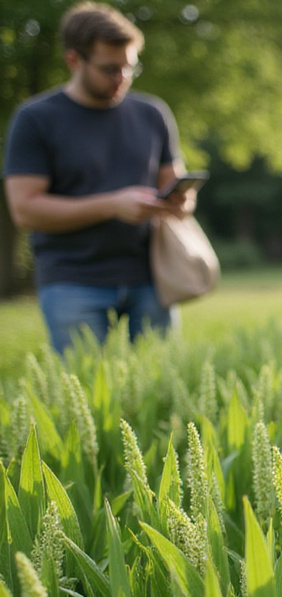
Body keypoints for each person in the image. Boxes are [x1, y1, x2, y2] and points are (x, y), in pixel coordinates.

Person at [3, 1, 194, 353]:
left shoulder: (153, 113)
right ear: (74, 60)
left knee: (160, 389)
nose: (122, 77)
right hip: (73, 280)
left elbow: (175, 184)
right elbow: (25, 210)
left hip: (151, 275)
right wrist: (112, 206)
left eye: (130, 68)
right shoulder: (35, 120)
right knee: (87, 392)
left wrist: (179, 199)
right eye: (110, 69)